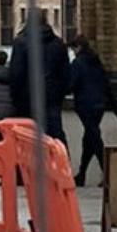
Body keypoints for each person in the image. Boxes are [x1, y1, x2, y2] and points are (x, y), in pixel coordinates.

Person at [67, 35, 117, 186]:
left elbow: (70, 84)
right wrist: (116, 107)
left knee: (94, 137)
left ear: (78, 47)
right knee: (89, 138)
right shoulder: (96, 62)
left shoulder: (78, 63)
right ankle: (82, 174)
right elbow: (106, 84)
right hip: (99, 104)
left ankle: (107, 172)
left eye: (73, 48)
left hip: (85, 104)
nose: (73, 51)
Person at [9, 13, 70, 147]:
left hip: (27, 100)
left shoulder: (21, 42)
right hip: (51, 99)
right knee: (55, 138)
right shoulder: (58, 44)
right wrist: (59, 95)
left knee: (27, 139)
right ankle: (60, 165)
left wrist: (16, 98)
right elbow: (66, 75)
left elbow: (16, 73)